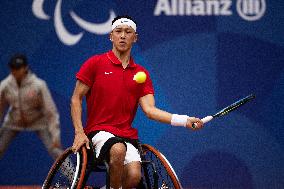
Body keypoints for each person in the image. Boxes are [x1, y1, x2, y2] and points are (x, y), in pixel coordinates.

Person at [71, 15, 203, 189]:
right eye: (118, 31)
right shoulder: (95, 64)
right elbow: (76, 99)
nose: (123, 36)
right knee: (117, 149)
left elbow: (150, 110)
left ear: (135, 38)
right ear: (111, 36)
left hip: (126, 135)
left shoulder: (141, 74)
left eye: (128, 32)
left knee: (133, 177)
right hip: (99, 132)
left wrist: (184, 120)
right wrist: (79, 132)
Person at [0, 54, 63, 160]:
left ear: (25, 68)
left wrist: (55, 135)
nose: (15, 71)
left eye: (18, 68)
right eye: (13, 68)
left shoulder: (38, 85)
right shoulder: (5, 85)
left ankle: (74, 176)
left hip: (38, 121)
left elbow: (50, 111)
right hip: (13, 121)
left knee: (55, 150)